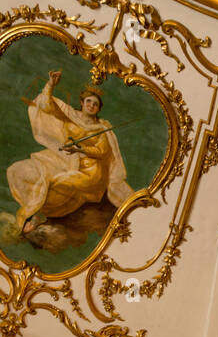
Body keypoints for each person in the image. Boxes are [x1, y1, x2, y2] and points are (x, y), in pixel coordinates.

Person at [7, 71, 133, 235]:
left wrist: (80, 149)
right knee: (20, 170)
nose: (91, 105)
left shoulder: (101, 128)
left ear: (98, 109)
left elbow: (102, 151)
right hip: (65, 157)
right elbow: (46, 105)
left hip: (90, 169)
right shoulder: (70, 114)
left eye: (95, 104)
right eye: (88, 101)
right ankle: (32, 206)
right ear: (82, 102)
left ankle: (39, 215)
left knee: (56, 182)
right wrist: (51, 84)